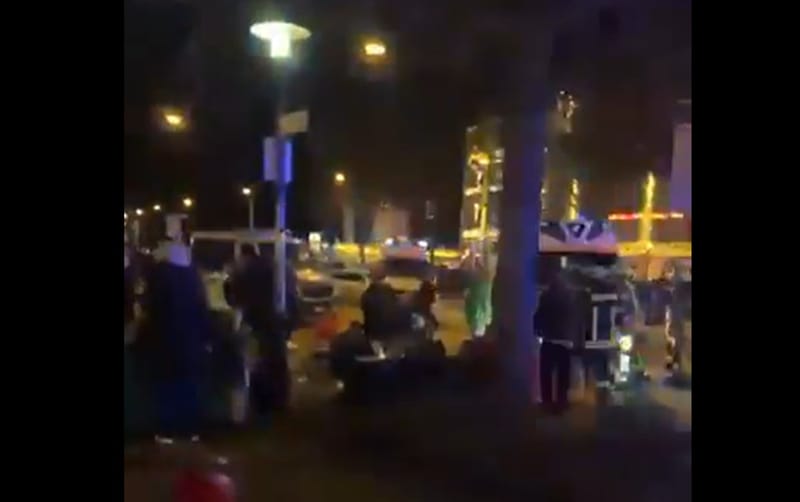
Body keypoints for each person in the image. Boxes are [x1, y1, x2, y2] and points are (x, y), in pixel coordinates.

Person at [139, 240, 213, 443]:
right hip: (191, 341)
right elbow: (203, 310)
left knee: (167, 386)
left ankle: (167, 430)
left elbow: (152, 309)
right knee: (189, 385)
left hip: (167, 339)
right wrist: (206, 337)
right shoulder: (194, 277)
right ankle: (190, 429)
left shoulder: (160, 276)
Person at [226, 243, 296, 412]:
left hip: (258, 321)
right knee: (276, 361)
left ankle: (263, 402)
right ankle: (278, 400)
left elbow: (235, 297)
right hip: (275, 321)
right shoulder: (277, 266)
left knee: (260, 362)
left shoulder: (245, 271)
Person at [534, 268, 582, 413]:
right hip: (565, 342)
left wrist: (538, 332)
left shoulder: (546, 296)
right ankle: (561, 403)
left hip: (549, 339)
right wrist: (575, 340)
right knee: (563, 375)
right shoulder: (571, 297)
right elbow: (576, 320)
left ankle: (547, 403)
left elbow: (539, 316)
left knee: (546, 374)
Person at [360, 263, 404, 340]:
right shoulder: (390, 293)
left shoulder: (369, 294)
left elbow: (364, 308)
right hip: (389, 335)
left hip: (373, 334)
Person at [463, 254, 492, 338]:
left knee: (476, 335)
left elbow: (468, 301)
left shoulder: (472, 286)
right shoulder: (488, 285)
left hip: (476, 316)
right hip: (486, 316)